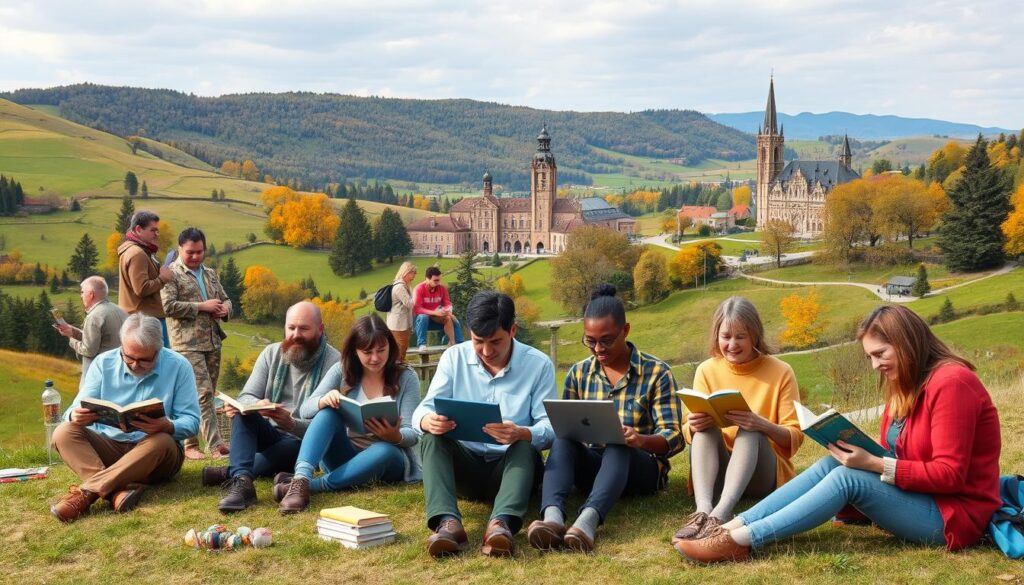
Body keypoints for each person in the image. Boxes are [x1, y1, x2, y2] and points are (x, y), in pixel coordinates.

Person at [675, 304, 1002, 562]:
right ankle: (733, 525)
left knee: (850, 477)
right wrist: (860, 453)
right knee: (836, 465)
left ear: (906, 344)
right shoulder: (905, 383)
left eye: (879, 354)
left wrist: (874, 464)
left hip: (953, 517)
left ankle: (742, 541)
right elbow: (901, 453)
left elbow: (951, 475)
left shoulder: (953, 383)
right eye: (869, 357)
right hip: (923, 498)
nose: (875, 366)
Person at [527, 284, 683, 553]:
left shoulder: (657, 373)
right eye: (590, 340)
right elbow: (568, 426)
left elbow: (675, 437)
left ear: (626, 331)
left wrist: (640, 440)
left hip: (639, 471)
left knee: (618, 444)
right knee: (563, 440)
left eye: (606, 340)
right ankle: (552, 519)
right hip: (593, 467)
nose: (598, 348)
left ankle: (587, 523)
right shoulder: (579, 373)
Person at [412, 291, 555, 558]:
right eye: (478, 341)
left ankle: (501, 526)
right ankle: (447, 523)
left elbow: (550, 428)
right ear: (469, 332)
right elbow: (424, 408)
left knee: (525, 445)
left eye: (496, 342)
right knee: (430, 437)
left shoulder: (538, 365)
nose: (487, 351)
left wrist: (523, 432)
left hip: (513, 471)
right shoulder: (453, 358)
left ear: (513, 330)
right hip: (465, 469)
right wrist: (426, 420)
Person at [671, 296, 803, 544]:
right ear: (716, 336)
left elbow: (795, 437)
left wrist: (761, 424)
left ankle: (720, 515)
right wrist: (694, 425)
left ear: (754, 335)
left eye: (740, 336)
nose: (732, 344)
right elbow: (688, 430)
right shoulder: (706, 370)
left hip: (762, 475)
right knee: (705, 430)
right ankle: (702, 510)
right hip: (716, 475)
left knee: (750, 430)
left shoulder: (782, 371)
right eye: (725, 336)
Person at [49, 314, 200, 523]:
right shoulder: (103, 363)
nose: (135, 364)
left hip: (155, 457)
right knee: (63, 432)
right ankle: (116, 494)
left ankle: (87, 493)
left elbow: (192, 422)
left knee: (163, 439)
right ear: (121, 345)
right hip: (111, 447)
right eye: (129, 357)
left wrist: (168, 425)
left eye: (145, 360)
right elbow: (74, 409)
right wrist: (76, 415)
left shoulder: (179, 366)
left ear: (159, 350)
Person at [273, 314, 422, 513]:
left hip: (387, 459)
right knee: (327, 413)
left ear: (390, 347)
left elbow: (413, 433)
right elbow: (306, 409)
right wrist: (324, 399)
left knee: (385, 450)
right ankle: (300, 480)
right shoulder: (341, 370)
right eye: (367, 352)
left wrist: (395, 436)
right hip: (345, 456)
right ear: (355, 351)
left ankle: (311, 487)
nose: (375, 358)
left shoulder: (406, 376)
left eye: (381, 350)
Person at [204, 301, 340, 513]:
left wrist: (291, 423)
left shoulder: (334, 363)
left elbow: (328, 426)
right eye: (291, 328)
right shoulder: (271, 353)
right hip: (268, 434)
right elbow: (247, 395)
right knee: (243, 414)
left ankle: (230, 471)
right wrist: (254, 405)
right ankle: (242, 484)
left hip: (304, 442)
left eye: (304, 328)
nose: (296, 334)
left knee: (288, 448)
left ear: (320, 329)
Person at [161, 227, 233, 461]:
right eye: (190, 252)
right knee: (202, 394)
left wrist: (225, 309)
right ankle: (216, 446)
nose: (195, 256)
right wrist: (203, 307)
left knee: (208, 394)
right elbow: (168, 306)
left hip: (212, 340)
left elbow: (225, 299)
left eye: (199, 252)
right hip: (186, 343)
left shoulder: (210, 273)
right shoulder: (171, 274)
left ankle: (190, 444)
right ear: (180, 249)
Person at [117, 210, 174, 345]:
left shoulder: (135, 251)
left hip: (139, 317)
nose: (156, 234)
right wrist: (162, 279)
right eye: (153, 230)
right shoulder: (137, 254)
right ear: (138, 229)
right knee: (159, 361)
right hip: (146, 320)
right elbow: (141, 289)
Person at [55, 275, 127, 377]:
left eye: (82, 292)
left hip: (100, 374)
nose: (81, 296)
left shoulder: (94, 317)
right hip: (119, 369)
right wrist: (73, 332)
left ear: (91, 294)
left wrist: (70, 338)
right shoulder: (118, 310)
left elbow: (89, 350)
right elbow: (99, 339)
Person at [413, 266, 463, 346]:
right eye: (435, 280)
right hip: (422, 321)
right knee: (423, 317)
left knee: (452, 319)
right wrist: (435, 312)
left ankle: (456, 344)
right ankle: (422, 344)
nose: (438, 282)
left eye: (439, 280)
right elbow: (417, 309)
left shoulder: (442, 288)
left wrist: (448, 311)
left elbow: (447, 303)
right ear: (427, 279)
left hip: (436, 318)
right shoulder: (419, 289)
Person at [386, 261, 417, 361]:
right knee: (400, 348)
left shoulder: (405, 285)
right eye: (413, 273)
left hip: (403, 323)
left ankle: (399, 368)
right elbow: (409, 303)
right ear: (406, 272)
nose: (414, 276)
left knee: (402, 348)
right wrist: (417, 294)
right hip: (398, 324)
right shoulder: (400, 287)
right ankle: (397, 370)